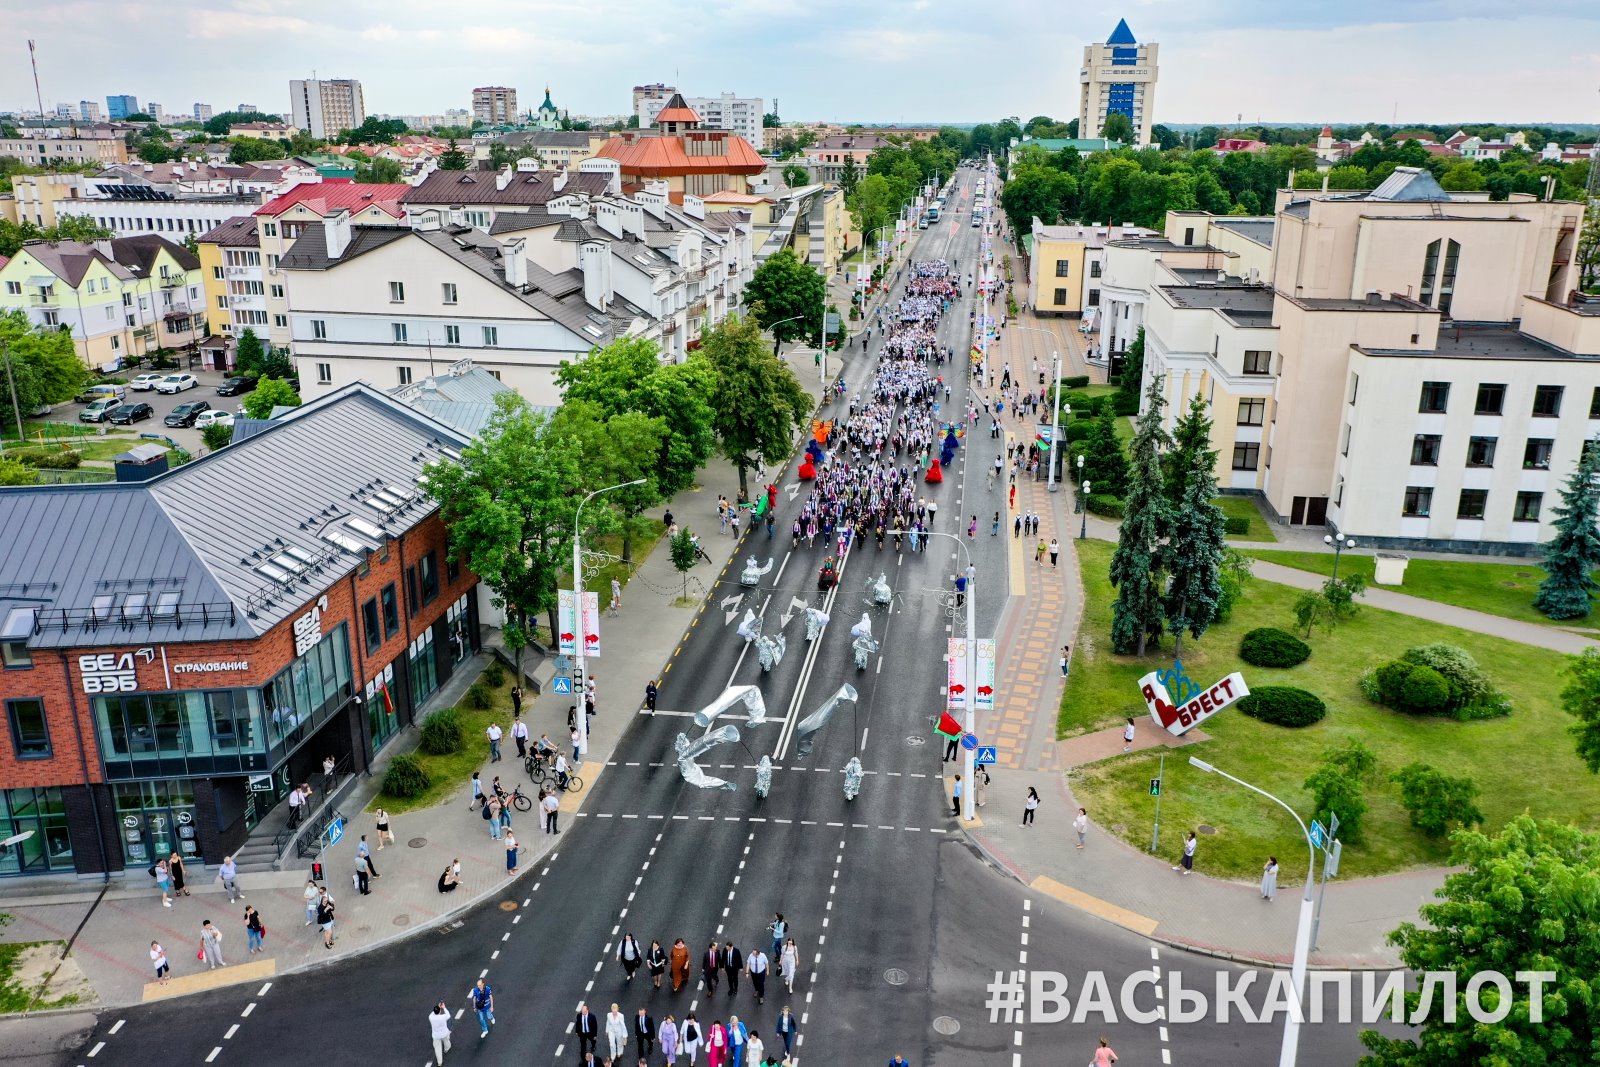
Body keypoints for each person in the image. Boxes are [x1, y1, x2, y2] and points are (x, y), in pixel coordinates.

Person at [428, 1001, 453, 1066]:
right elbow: (448, 1015)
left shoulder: (431, 1017)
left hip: (436, 1035)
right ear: (439, 1011)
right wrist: (444, 1007)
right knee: (446, 1041)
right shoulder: (443, 1017)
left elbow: (434, 1012)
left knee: (437, 1048)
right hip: (444, 1033)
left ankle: (440, 1062)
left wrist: (438, 1007)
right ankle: (446, 1049)